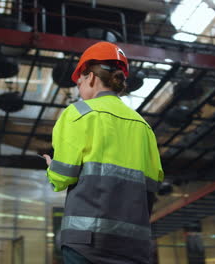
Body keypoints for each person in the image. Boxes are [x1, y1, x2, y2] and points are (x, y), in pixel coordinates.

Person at [43, 41, 163, 264]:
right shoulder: (143, 127)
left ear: (90, 77)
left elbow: (62, 177)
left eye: (79, 81)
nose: (78, 86)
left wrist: (52, 169)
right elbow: (153, 183)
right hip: (134, 247)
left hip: (87, 242)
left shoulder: (78, 113)